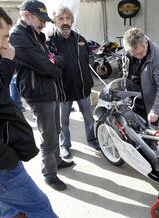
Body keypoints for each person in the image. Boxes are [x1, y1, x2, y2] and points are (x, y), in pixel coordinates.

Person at [0, 1, 87, 218]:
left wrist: (11, 61)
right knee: (39, 206)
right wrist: (9, 161)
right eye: (3, 36)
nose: (5, 44)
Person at [9, 0, 75, 191]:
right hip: (38, 93)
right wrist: (54, 65)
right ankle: (49, 174)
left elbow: (53, 59)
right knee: (49, 136)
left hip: (49, 88)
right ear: (26, 15)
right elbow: (47, 65)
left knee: (56, 128)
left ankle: (57, 161)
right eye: (41, 19)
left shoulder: (35, 34)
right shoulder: (19, 35)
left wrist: (53, 63)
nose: (45, 24)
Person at [48, 5, 99, 159]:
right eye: (61, 19)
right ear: (55, 21)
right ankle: (65, 146)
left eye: (67, 18)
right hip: (63, 90)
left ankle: (91, 139)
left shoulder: (80, 39)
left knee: (89, 118)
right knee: (63, 122)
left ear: (72, 21)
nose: (65, 22)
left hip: (83, 87)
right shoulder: (51, 42)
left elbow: (89, 58)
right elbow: (49, 64)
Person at [122, 27, 159, 125]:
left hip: (149, 105)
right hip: (132, 101)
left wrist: (155, 111)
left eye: (140, 53)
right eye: (134, 54)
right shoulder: (127, 53)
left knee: (149, 137)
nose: (138, 57)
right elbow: (125, 74)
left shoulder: (158, 56)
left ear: (146, 43)